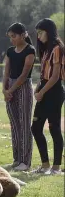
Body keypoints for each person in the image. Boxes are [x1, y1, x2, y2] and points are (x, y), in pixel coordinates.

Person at [30, 18, 65, 175]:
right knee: (36, 128)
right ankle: (45, 165)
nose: (38, 37)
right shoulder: (45, 50)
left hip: (54, 91)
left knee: (54, 128)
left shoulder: (57, 48)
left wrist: (42, 92)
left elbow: (56, 76)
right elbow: (44, 75)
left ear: (49, 32)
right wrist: (37, 89)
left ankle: (56, 168)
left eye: (41, 32)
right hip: (44, 89)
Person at [3, 22, 36, 171]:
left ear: (23, 35)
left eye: (14, 36)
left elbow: (24, 74)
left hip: (23, 88)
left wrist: (12, 89)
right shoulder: (10, 51)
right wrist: (5, 89)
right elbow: (7, 71)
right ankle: (16, 159)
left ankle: (25, 162)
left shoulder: (30, 50)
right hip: (10, 87)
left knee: (24, 125)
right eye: (10, 37)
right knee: (14, 124)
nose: (12, 39)